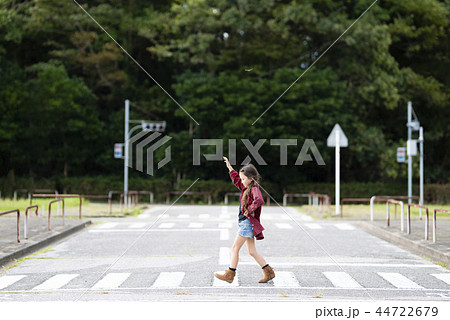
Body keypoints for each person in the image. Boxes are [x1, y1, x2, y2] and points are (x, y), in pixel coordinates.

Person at [214, 157, 275, 283]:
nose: (241, 181)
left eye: (243, 179)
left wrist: (250, 209)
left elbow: (259, 200)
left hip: (247, 223)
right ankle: (269, 272)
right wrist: (230, 168)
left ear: (251, 178)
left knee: (235, 248)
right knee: (252, 251)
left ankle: (230, 274)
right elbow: (236, 180)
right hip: (246, 223)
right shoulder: (246, 188)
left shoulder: (254, 189)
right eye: (241, 179)